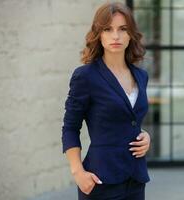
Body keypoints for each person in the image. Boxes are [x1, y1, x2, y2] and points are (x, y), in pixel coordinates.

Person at [61, 2, 151, 200]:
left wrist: (145, 136)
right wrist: (78, 173)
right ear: (98, 34)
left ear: (131, 35)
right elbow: (70, 128)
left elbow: (129, 120)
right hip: (100, 180)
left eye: (122, 29)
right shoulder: (85, 76)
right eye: (108, 29)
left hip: (136, 179)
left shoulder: (141, 76)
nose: (116, 36)